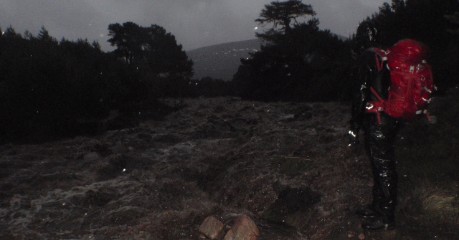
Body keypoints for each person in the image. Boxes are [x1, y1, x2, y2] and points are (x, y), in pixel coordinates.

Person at [348, 39, 433, 230]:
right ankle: (377, 207)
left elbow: (361, 92)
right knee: (381, 163)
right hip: (392, 118)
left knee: (383, 166)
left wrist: (354, 123)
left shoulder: (369, 57)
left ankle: (386, 217)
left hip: (379, 120)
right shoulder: (385, 56)